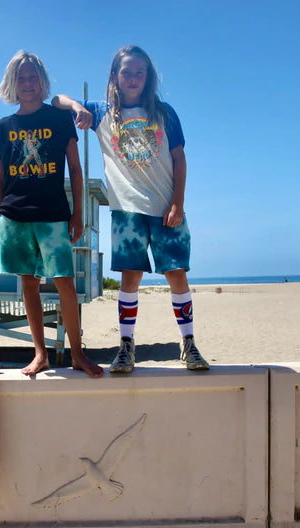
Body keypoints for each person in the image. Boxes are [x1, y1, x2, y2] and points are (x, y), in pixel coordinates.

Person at [53, 45, 209, 374]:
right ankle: (126, 347)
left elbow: (179, 158)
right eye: (126, 72)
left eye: (140, 72)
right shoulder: (103, 112)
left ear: (148, 76)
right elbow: (57, 100)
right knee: (130, 278)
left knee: (176, 275)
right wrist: (79, 108)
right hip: (127, 210)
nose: (133, 78)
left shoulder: (165, 113)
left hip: (166, 207)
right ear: (115, 77)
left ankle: (189, 343)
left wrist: (178, 201)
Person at [0, 50, 103, 378]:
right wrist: (0, 216)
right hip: (14, 216)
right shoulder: (3, 126)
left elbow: (76, 171)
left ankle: (77, 354)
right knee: (29, 283)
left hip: (53, 213)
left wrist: (77, 213)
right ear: (13, 83)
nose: (27, 83)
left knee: (65, 283)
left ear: (41, 81)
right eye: (21, 78)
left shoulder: (57, 118)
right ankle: (40, 354)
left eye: (32, 77)